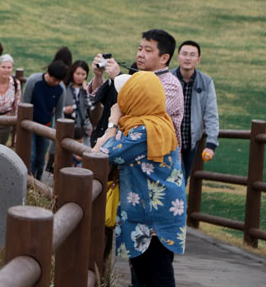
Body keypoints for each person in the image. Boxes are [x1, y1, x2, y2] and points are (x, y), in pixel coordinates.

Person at [94, 72, 186, 287]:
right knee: (147, 274)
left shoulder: (145, 130)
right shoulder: (157, 122)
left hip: (152, 218)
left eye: (125, 94)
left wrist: (112, 123)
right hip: (154, 213)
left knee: (155, 277)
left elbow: (104, 154)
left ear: (136, 97)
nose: (120, 100)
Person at [172, 41, 219, 178]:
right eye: (184, 54)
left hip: (191, 144)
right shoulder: (168, 79)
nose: (188, 58)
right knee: (175, 184)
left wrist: (211, 144)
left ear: (198, 60)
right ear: (178, 57)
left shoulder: (206, 82)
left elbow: (211, 114)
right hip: (169, 143)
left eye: (192, 55)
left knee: (183, 181)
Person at [23, 60, 68, 180]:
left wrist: (58, 132)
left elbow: (59, 112)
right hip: (29, 124)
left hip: (46, 126)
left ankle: (37, 181)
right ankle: (28, 182)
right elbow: (25, 103)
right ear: (48, 73)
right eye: (55, 80)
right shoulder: (34, 81)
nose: (56, 83)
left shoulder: (60, 88)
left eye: (59, 81)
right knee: (31, 156)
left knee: (41, 157)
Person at [64, 60, 92, 147]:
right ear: (72, 73)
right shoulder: (66, 87)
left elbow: (91, 106)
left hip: (83, 128)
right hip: (67, 126)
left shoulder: (87, 88)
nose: (80, 77)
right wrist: (64, 110)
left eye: (83, 74)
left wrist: (85, 91)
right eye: (77, 73)